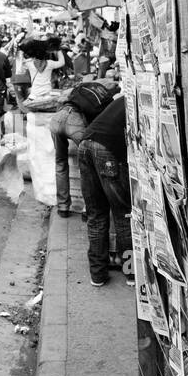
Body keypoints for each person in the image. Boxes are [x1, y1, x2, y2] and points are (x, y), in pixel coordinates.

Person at [79, 94, 131, 287]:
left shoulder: (120, 100)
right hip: (106, 150)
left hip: (85, 144)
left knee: (96, 213)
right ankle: (131, 272)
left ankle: (97, 274)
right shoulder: (137, 100)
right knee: (123, 213)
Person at [50, 79, 118, 218]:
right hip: (75, 123)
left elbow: (62, 101)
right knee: (88, 166)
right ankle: (87, 210)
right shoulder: (105, 99)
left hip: (56, 119)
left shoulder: (81, 88)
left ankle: (63, 207)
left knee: (60, 162)